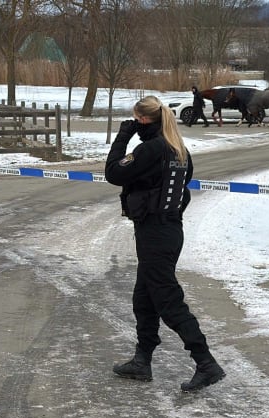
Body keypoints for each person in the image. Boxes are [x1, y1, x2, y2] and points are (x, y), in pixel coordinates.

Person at [104, 95, 225, 392]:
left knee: (168, 300)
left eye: (136, 120)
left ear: (144, 120)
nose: (134, 124)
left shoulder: (151, 149)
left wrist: (123, 136)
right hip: (168, 230)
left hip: (156, 233)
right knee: (144, 298)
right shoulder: (178, 148)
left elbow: (113, 172)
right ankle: (142, 360)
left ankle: (206, 363)